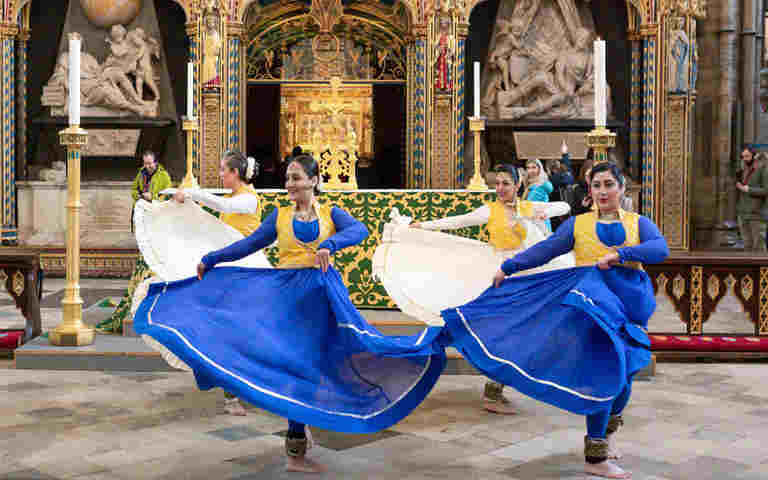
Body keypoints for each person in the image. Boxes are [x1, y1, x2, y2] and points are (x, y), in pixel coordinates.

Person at [133, 154, 446, 474]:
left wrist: (331, 244)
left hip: (323, 296)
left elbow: (360, 230)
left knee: (335, 356)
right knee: (298, 364)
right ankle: (295, 450)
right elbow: (250, 243)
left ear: (314, 181)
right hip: (288, 296)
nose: (289, 184)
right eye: (287, 178)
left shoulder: (330, 213)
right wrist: (212, 258)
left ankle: (315, 418)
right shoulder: (280, 217)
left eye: (296, 178)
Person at [442, 162, 668, 479]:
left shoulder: (638, 223)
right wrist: (509, 268)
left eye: (608, 184)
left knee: (625, 380)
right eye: (596, 186)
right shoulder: (577, 225)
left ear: (621, 188)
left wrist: (620, 255)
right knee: (604, 375)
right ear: (589, 192)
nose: (603, 191)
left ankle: (608, 431)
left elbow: (660, 249)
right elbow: (546, 250)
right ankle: (595, 456)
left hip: (628, 306)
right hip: (592, 310)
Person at [376, 163, 572, 414]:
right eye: (497, 183)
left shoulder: (527, 207)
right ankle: (488, 387)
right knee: (500, 331)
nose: (500, 188)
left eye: (506, 183)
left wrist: (543, 212)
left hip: (525, 274)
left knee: (519, 331)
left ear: (517, 185)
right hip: (497, 275)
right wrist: (421, 227)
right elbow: (456, 222)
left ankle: (497, 387)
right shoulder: (489, 210)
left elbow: (563, 206)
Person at [173, 151, 264, 416]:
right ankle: (231, 390)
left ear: (236, 173)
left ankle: (242, 388)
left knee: (243, 333)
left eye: (224, 170)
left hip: (247, 272)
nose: (221, 174)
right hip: (231, 273)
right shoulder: (233, 197)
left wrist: (192, 192)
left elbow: (222, 208)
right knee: (228, 331)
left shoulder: (247, 199)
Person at [736, 146, 768, 251]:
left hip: (756, 214)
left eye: (747, 156)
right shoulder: (743, 168)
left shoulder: (763, 168)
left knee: (758, 246)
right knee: (747, 246)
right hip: (743, 213)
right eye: (743, 156)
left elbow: (766, 190)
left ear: (754, 156)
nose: (745, 159)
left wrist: (748, 189)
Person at [130, 151, 171, 217]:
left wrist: (153, 197)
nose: (147, 166)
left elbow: (168, 195)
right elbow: (134, 189)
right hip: (142, 208)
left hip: (157, 210)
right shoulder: (141, 173)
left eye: (149, 163)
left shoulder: (164, 175)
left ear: (155, 162)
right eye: (145, 163)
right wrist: (140, 196)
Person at [522, 158, 554, 231]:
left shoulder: (542, 185)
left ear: (539, 169)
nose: (531, 170)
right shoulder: (529, 183)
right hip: (532, 220)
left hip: (540, 222)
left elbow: (529, 203)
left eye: (534, 167)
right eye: (528, 168)